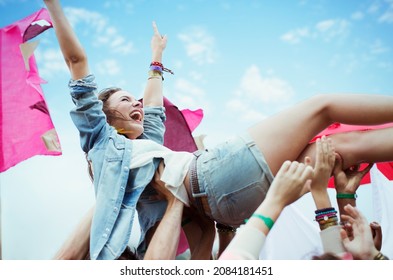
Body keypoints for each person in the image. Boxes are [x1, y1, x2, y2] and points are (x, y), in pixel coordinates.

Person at [45, 0, 393, 260]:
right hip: (212, 176)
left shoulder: (143, 154)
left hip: (226, 207)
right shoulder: (104, 145)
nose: (137, 102)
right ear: (105, 117)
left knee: (344, 146)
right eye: (124, 100)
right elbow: (77, 63)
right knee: (323, 107)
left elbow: (151, 104)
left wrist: (156, 57)